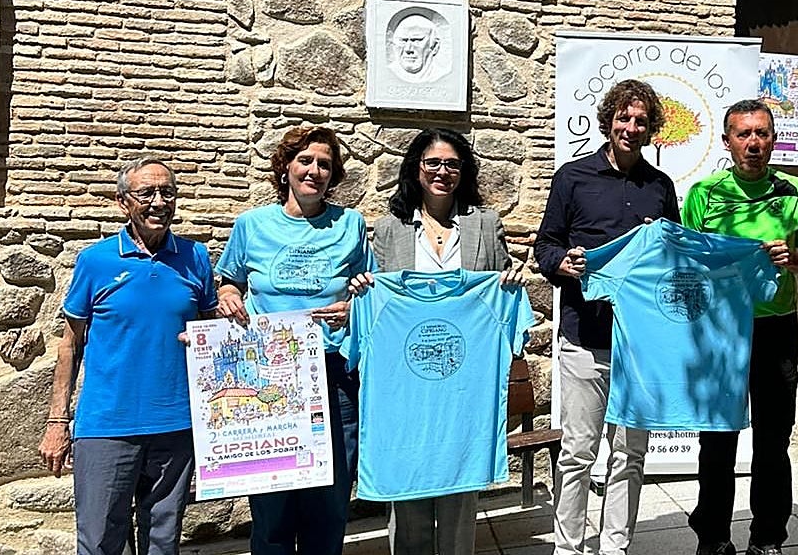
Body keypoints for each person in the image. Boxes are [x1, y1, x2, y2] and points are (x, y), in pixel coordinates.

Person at [355, 127, 523, 555]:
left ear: (464, 171)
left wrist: (509, 283)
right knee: (407, 499)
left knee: (459, 501)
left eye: (452, 164)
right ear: (416, 168)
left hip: (463, 392)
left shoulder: (484, 224)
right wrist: (363, 290)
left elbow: (497, 289)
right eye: (433, 163)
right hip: (407, 394)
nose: (442, 172)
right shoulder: (390, 229)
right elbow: (379, 300)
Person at [38, 157, 217, 555]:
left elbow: (211, 330)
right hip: (106, 427)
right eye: (146, 193)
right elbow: (70, 344)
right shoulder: (95, 261)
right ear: (123, 202)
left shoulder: (196, 257)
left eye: (167, 192)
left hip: (175, 425)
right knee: (100, 542)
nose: (159, 202)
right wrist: (57, 421)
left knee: (162, 543)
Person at [535, 79, 680, 555]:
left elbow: (672, 260)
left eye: (641, 121)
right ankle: (568, 548)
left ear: (651, 129)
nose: (631, 128)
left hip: (640, 344)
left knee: (629, 455)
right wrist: (562, 263)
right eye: (624, 118)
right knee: (578, 453)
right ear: (608, 121)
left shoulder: (661, 188)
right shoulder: (572, 177)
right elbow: (546, 245)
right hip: (585, 336)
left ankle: (616, 546)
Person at [215, 125, 374, 555]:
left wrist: (352, 309)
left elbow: (370, 292)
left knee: (330, 499)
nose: (314, 171)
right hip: (269, 374)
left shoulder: (351, 225)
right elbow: (229, 281)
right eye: (305, 160)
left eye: (325, 164)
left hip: (333, 372)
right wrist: (228, 296)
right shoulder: (252, 225)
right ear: (285, 167)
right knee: (272, 503)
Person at [682, 99, 798, 555]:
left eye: (762, 133)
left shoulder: (795, 191)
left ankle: (768, 537)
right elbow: (687, 264)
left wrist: (793, 258)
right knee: (717, 438)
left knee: (774, 439)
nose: (753, 143)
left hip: (776, 329)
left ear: (774, 140)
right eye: (744, 134)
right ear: (727, 142)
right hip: (720, 331)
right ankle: (713, 537)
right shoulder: (704, 194)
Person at [391, 13, 443, 82]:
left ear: (435, 46)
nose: (408, 49)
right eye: (403, 40)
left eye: (416, 40)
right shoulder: (386, 75)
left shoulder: (440, 75)